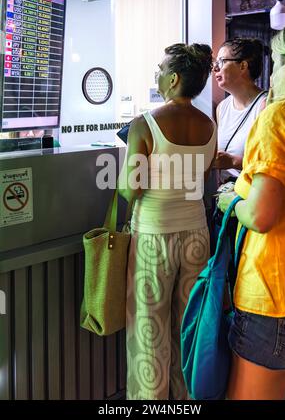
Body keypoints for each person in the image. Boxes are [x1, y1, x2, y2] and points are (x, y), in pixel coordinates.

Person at [118, 43, 217, 400]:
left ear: (173, 78)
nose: (157, 75)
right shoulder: (209, 124)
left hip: (153, 238)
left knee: (149, 329)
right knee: (186, 327)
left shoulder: (144, 125)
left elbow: (130, 189)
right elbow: (203, 176)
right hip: (197, 237)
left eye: (160, 69)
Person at [218, 19, 285, 400]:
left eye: (279, 61)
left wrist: (232, 201)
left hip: (275, 296)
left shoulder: (281, 116)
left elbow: (263, 216)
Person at [213, 37, 267, 184]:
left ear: (243, 66)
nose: (215, 68)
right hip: (225, 197)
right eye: (215, 62)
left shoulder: (266, 106)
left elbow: (272, 163)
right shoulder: (222, 108)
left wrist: (233, 162)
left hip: (252, 194)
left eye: (222, 61)